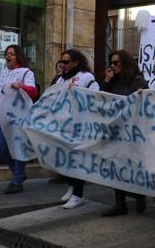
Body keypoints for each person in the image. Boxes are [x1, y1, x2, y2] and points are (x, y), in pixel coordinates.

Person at [0, 45, 38, 194]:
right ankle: (19, 173)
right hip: (3, 117)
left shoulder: (26, 72)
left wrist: (21, 87)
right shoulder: (2, 73)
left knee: (19, 148)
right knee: (0, 147)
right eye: (6, 54)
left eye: (11, 54)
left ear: (18, 56)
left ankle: (17, 180)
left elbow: (33, 92)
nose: (8, 56)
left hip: (19, 117)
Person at [99, 50, 149, 217]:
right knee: (116, 166)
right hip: (116, 131)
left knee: (133, 167)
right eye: (111, 63)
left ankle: (139, 196)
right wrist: (106, 81)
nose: (112, 66)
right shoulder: (113, 81)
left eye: (116, 63)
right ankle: (120, 203)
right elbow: (102, 100)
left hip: (133, 133)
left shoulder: (137, 81)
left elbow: (144, 105)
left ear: (125, 63)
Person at [54, 49, 99, 209]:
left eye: (66, 62)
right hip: (62, 126)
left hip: (79, 126)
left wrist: (78, 91)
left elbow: (95, 95)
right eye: (62, 61)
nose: (63, 65)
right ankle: (71, 186)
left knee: (76, 160)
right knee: (65, 159)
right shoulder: (59, 80)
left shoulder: (86, 77)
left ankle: (78, 194)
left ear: (76, 62)